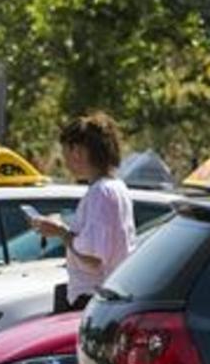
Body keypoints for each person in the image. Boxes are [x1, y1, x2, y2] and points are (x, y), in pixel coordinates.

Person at [31, 112, 136, 310]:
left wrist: (61, 231)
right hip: (105, 297)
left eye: (65, 153)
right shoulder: (116, 187)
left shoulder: (101, 192)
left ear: (77, 151)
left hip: (91, 300)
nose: (65, 161)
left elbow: (93, 257)